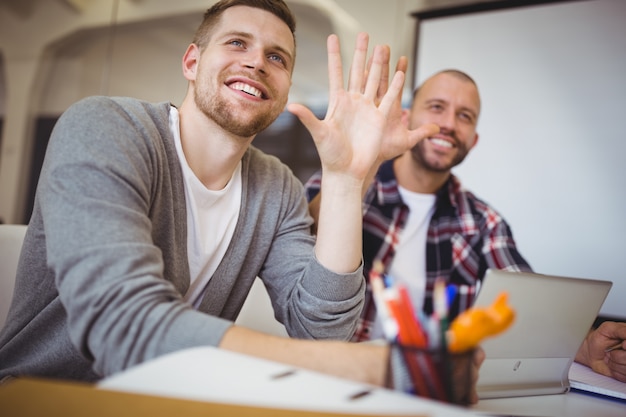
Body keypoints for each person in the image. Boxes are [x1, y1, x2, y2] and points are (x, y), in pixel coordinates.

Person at [0, 0, 484, 403]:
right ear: (192, 62)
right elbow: (122, 325)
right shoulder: (105, 128)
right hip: (43, 399)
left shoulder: (277, 187)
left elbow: (320, 330)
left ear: (284, 90)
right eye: (237, 43)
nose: (256, 62)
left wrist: (345, 176)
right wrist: (380, 369)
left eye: (277, 58)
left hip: (173, 402)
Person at [305, 69, 626, 383]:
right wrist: (359, 171)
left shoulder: (483, 222)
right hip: (337, 375)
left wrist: (584, 346)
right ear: (405, 119)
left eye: (465, 116)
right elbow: (307, 243)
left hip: (428, 389)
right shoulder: (345, 179)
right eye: (436, 107)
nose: (448, 124)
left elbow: (527, 303)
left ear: (473, 140)